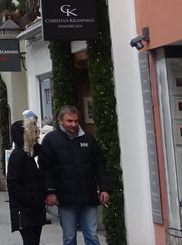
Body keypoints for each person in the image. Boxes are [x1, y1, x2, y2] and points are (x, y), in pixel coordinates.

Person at [40, 105, 112, 245]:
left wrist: (105, 188)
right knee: (69, 237)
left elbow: (99, 165)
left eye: (76, 121)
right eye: (69, 121)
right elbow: (45, 169)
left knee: (92, 235)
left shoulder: (88, 139)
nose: (74, 124)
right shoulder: (51, 140)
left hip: (88, 197)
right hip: (65, 198)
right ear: (60, 121)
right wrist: (49, 192)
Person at [7, 112, 47, 245]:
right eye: (34, 132)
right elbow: (13, 184)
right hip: (25, 210)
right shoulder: (18, 155)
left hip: (33, 209)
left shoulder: (29, 153)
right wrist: (32, 199)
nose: (38, 135)